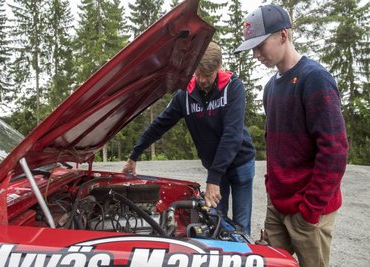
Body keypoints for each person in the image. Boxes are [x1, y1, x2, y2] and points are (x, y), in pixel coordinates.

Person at [235, 4, 348, 267]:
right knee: (269, 262)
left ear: (283, 35)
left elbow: (335, 150)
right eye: (252, 48)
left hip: (309, 211)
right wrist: (272, 189)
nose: (255, 54)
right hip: (278, 206)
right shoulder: (270, 88)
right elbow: (276, 147)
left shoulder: (315, 79)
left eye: (260, 45)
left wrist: (311, 210)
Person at [122, 42, 256, 234]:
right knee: (216, 221)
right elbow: (160, 124)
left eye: (207, 75)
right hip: (215, 167)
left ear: (219, 68)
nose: (201, 80)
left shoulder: (233, 88)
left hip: (240, 163)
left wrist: (214, 179)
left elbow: (232, 136)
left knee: (241, 227)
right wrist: (135, 154)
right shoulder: (185, 94)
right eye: (197, 73)